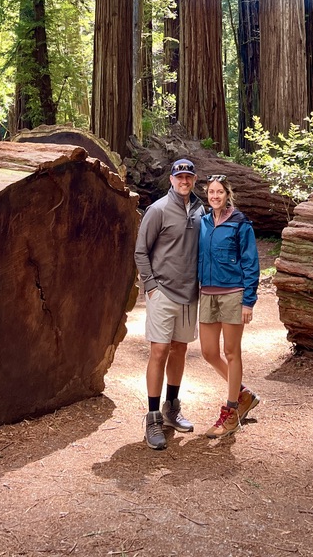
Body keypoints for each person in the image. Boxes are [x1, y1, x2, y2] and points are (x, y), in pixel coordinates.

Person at [134, 158, 204, 450]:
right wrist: (150, 287)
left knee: (179, 350)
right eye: (179, 177)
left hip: (190, 294)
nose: (184, 181)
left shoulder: (202, 211)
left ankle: (171, 408)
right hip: (162, 290)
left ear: (194, 179)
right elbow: (141, 251)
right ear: (171, 180)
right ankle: (152, 417)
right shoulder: (158, 209)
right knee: (159, 350)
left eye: (188, 176)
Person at [198, 174, 260, 439]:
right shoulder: (201, 222)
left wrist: (248, 301)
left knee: (232, 352)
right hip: (207, 294)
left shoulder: (239, 223)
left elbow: (251, 262)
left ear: (227, 194)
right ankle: (243, 393)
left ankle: (232, 411)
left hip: (233, 294)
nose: (215, 196)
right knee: (209, 352)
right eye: (211, 192)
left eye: (219, 192)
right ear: (207, 195)